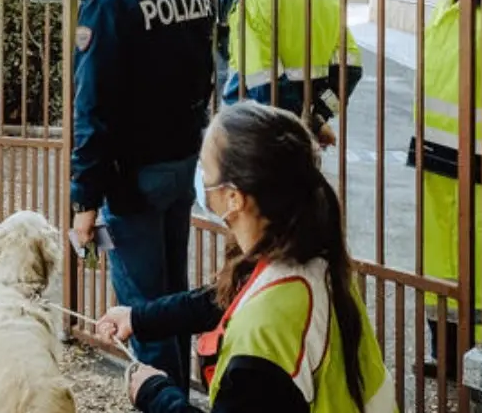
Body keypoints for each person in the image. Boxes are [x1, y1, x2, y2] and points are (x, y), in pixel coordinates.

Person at [95, 101, 397, 413]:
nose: (200, 178)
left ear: (234, 198)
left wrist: (155, 393)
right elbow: (224, 299)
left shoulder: (259, 337)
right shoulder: (310, 253)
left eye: (205, 170)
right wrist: (137, 318)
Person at [69, 0, 216, 395]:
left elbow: (91, 111)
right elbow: (206, 79)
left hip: (132, 178)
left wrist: (84, 201)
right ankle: (179, 391)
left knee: (142, 310)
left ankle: (162, 399)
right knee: (170, 296)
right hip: (181, 165)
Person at [405, 0, 482, 378]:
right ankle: (446, 352)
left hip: (476, 157)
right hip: (436, 152)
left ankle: (476, 355)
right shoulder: (448, 1)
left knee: (473, 255)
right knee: (438, 258)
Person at [221, 0, 363, 147]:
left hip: (254, 133)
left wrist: (306, 125)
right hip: (304, 138)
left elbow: (266, 84)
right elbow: (351, 69)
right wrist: (317, 117)